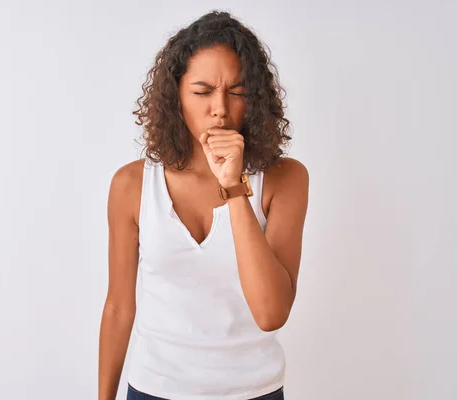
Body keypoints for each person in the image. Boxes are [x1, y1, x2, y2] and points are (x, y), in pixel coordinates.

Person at [98, 10, 309, 400]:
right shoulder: (131, 185)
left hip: (254, 391)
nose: (221, 109)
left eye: (238, 92)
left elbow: (271, 313)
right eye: (202, 91)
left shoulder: (285, 179)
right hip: (153, 389)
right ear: (175, 95)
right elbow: (118, 307)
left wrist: (233, 186)